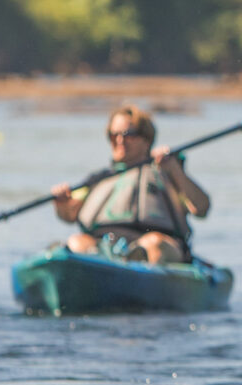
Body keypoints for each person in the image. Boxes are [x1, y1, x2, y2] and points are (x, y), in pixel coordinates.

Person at [52, 106, 211, 266]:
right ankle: (96, 271)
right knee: (77, 242)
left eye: (128, 135)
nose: (119, 141)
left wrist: (174, 169)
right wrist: (61, 203)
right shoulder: (98, 179)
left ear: (146, 140)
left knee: (153, 243)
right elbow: (69, 215)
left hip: (158, 243)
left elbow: (201, 208)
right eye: (114, 135)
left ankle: (141, 271)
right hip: (106, 245)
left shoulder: (167, 173)